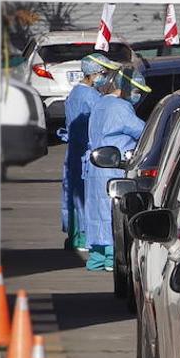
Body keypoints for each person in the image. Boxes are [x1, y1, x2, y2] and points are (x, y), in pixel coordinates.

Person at [83, 68, 147, 272]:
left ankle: (97, 257)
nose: (138, 96)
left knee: (96, 212)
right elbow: (140, 130)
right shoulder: (120, 107)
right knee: (112, 212)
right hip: (113, 166)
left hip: (96, 167)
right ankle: (112, 255)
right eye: (136, 91)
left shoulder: (100, 103)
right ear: (125, 88)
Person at [59, 54, 111, 251]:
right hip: (86, 153)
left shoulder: (75, 93)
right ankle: (83, 237)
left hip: (75, 150)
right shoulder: (90, 96)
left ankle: (74, 236)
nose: (104, 77)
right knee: (86, 197)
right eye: (103, 73)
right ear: (92, 73)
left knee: (73, 195)